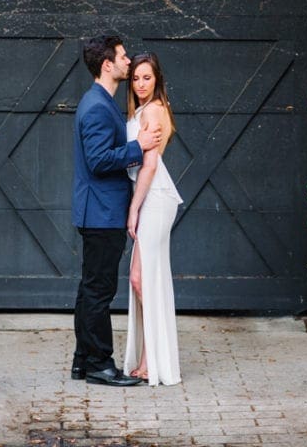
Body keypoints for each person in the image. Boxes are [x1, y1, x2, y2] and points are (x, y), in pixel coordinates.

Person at [71, 33, 162, 387]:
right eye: (123, 57)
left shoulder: (101, 101)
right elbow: (97, 161)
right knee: (99, 291)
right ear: (107, 65)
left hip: (99, 212)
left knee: (89, 289)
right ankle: (99, 364)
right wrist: (137, 146)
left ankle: (82, 362)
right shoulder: (96, 106)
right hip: (102, 213)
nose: (128, 61)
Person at [123, 51, 183, 386]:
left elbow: (148, 166)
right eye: (136, 78)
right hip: (148, 198)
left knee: (141, 279)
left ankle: (153, 359)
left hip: (155, 199)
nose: (141, 83)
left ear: (157, 78)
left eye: (147, 77)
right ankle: (152, 358)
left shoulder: (156, 110)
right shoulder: (141, 111)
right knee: (145, 280)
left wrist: (133, 208)